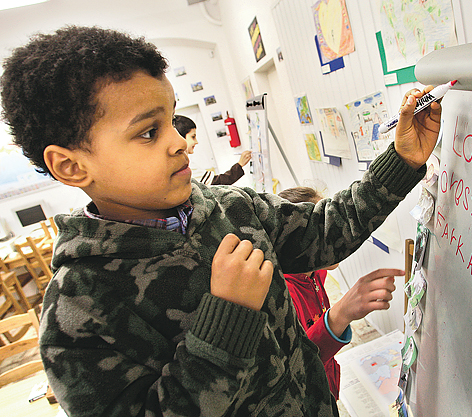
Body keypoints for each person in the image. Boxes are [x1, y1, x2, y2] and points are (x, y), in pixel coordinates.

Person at [0, 25, 441, 417]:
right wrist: (227, 319)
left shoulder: (232, 207)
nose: (179, 143)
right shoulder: (78, 313)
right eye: (148, 132)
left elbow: (325, 230)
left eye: (172, 121)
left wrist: (401, 160)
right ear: (72, 166)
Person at [278, 186, 403, 400]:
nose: (337, 237)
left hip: (327, 386)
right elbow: (296, 366)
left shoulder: (313, 273)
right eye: (324, 229)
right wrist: (341, 314)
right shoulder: (283, 295)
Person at [173, 114, 252, 185]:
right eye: (193, 137)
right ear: (180, 138)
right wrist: (240, 164)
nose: (196, 142)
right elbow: (216, 182)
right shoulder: (184, 166)